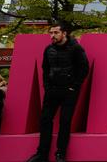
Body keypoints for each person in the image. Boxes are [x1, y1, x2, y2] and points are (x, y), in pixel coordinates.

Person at [27, 22, 89, 162]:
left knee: (65, 122)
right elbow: (45, 69)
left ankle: (60, 154)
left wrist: (74, 86)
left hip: (69, 91)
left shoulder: (76, 49)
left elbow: (84, 68)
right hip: (52, 90)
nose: (52, 36)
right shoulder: (48, 49)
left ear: (64, 33)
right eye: (51, 33)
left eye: (55, 33)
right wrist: (47, 86)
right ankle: (41, 154)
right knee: (45, 120)